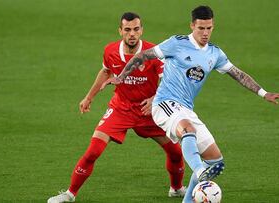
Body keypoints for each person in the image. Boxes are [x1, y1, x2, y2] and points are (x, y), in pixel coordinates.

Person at [108, 5, 279, 203]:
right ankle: (199, 170)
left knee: (216, 163)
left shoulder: (215, 53)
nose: (205, 33)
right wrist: (122, 77)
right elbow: (142, 55)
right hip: (164, 104)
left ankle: (189, 197)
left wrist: (263, 93)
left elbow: (237, 74)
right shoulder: (176, 43)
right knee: (188, 131)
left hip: (186, 109)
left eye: (209, 28)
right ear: (192, 26)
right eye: (201, 28)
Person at [47, 12, 186, 203]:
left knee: (176, 152)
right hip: (121, 108)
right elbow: (105, 71)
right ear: (120, 31)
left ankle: (176, 189)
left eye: (136, 29)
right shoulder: (110, 50)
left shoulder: (154, 52)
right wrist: (89, 97)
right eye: (127, 29)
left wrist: (154, 99)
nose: (132, 34)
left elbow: (168, 81)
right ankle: (69, 194)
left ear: (141, 30)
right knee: (93, 151)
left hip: (149, 111)